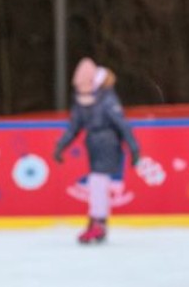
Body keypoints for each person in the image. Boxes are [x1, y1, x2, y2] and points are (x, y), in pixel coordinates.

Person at [52, 57, 139, 244]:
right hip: (93, 144)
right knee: (96, 182)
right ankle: (97, 222)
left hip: (108, 144)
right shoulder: (84, 101)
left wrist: (133, 148)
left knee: (98, 181)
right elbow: (74, 126)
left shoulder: (107, 100)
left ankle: (98, 223)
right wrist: (61, 146)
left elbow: (122, 124)